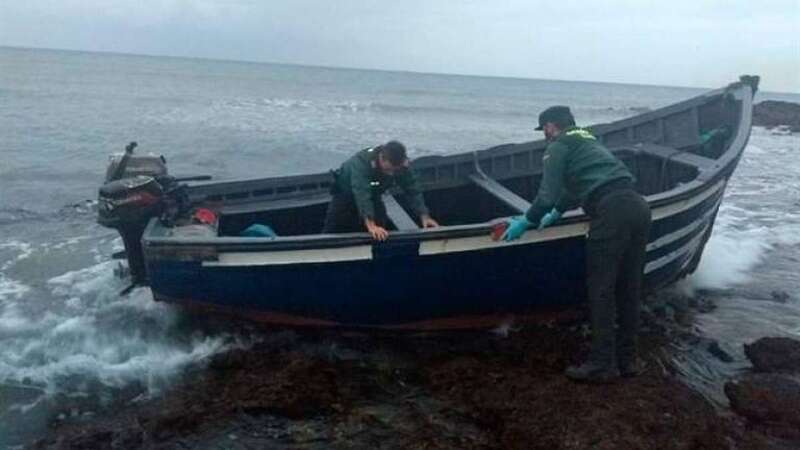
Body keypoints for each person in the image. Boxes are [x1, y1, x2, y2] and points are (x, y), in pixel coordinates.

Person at [502, 106, 652, 383]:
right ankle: (629, 361)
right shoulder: (587, 138)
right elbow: (574, 186)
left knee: (602, 290)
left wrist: (527, 220)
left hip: (611, 212)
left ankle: (602, 365)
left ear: (549, 126)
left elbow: (545, 195)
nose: (545, 136)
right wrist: (558, 212)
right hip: (638, 207)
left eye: (544, 130)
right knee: (630, 289)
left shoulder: (557, 146)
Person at [323, 140, 439, 240]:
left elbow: (412, 188)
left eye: (394, 171)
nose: (391, 174)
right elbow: (362, 192)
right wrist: (371, 225)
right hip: (345, 194)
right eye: (388, 169)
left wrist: (424, 215)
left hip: (374, 194)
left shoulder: (401, 164)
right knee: (333, 227)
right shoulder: (362, 164)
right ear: (382, 159)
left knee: (381, 225)